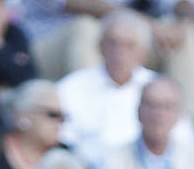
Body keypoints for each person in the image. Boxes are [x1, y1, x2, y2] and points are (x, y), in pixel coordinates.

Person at [54, 8, 153, 154]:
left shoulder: (159, 90)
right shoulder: (71, 87)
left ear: (144, 53)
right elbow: (62, 141)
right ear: (100, 47)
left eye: (129, 46)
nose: (119, 53)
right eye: (113, 43)